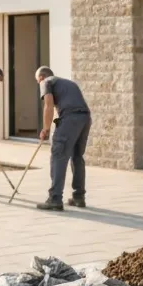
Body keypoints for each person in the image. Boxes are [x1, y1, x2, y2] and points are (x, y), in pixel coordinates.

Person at [34, 66, 92, 212]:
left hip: (70, 118)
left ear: (41, 77)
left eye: (37, 82)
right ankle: (79, 197)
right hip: (85, 118)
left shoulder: (45, 82)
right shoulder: (68, 83)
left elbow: (48, 105)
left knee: (58, 155)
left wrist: (45, 129)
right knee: (77, 156)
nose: (39, 85)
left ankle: (55, 199)